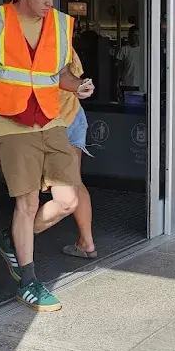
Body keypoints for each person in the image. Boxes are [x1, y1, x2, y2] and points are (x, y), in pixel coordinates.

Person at [0, 0, 94, 312]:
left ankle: (11, 240)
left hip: (51, 120)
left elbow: (59, 74)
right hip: (12, 123)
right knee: (28, 202)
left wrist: (78, 85)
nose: (50, 2)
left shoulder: (62, 24)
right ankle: (29, 280)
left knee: (68, 200)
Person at [58, 47, 97, 260]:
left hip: (54, 120)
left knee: (30, 192)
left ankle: (15, 239)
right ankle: (86, 242)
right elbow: (76, 79)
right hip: (73, 115)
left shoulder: (42, 42)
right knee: (75, 182)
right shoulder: (66, 45)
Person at [117, 26, 144, 91]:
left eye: (138, 35)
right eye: (134, 35)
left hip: (141, 84)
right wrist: (118, 82)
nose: (136, 37)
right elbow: (119, 67)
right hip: (126, 84)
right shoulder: (124, 50)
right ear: (130, 36)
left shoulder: (144, 50)